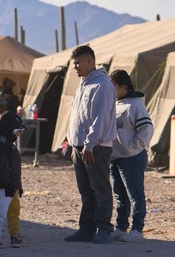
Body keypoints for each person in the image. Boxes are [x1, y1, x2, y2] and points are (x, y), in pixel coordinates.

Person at [63, 45, 117, 244]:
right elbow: (77, 117)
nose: (75, 67)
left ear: (89, 61)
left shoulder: (101, 85)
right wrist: (73, 143)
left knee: (100, 188)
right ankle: (86, 228)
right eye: (73, 63)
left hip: (96, 146)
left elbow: (100, 118)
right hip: (81, 146)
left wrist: (90, 144)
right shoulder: (84, 84)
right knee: (85, 189)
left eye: (77, 63)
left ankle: (104, 229)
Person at [109, 69, 154, 243]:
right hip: (115, 156)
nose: (110, 89)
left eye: (113, 85)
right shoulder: (113, 104)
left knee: (135, 194)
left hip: (131, 157)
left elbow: (147, 129)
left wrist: (132, 147)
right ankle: (121, 227)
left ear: (124, 86)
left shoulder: (135, 105)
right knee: (120, 195)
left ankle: (137, 228)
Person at [0, 111, 25, 249]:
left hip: (11, 185)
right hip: (2, 186)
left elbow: (14, 169)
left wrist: (17, 186)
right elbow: (1, 168)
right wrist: (7, 183)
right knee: (0, 212)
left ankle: (14, 236)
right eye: (17, 132)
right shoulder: (2, 145)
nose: (18, 135)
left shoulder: (8, 144)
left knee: (14, 211)